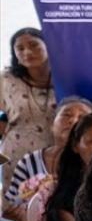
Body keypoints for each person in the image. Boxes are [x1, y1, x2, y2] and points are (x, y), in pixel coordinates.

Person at [3, 97, 92, 221]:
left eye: (81, 117)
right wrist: (19, 216)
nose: (72, 120)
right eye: (66, 115)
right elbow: (13, 204)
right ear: (52, 124)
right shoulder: (29, 161)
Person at [0, 29, 56, 191]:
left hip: (53, 160)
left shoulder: (64, 79)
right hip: (15, 156)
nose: (27, 52)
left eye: (34, 45)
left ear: (48, 46)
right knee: (15, 210)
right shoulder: (6, 79)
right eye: (20, 48)